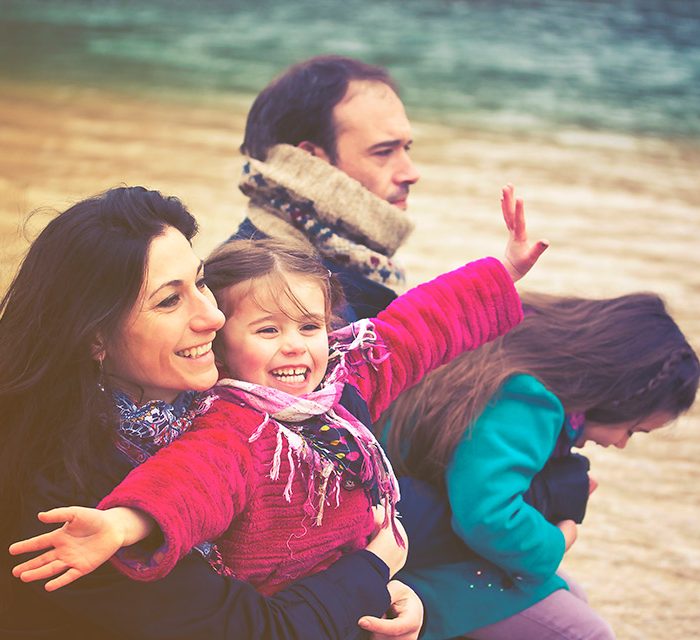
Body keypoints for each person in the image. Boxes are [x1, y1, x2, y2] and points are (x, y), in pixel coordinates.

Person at [9, 182, 540, 602]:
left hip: (358, 585)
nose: (296, 348)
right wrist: (122, 525)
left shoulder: (339, 379)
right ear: (225, 348)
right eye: (267, 331)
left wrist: (503, 272)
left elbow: (415, 329)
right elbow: (188, 484)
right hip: (297, 600)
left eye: (309, 327)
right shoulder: (231, 426)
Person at [379, 291, 700, 640]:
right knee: (589, 634)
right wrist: (559, 539)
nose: (621, 443)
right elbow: (489, 517)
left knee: (572, 596)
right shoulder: (528, 399)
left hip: (408, 527)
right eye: (633, 430)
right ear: (625, 394)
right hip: (412, 558)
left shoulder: (513, 349)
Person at [228, 55, 548, 321]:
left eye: (406, 148)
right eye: (383, 152)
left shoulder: (342, 264)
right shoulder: (277, 296)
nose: (411, 173)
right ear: (309, 160)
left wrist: (501, 276)